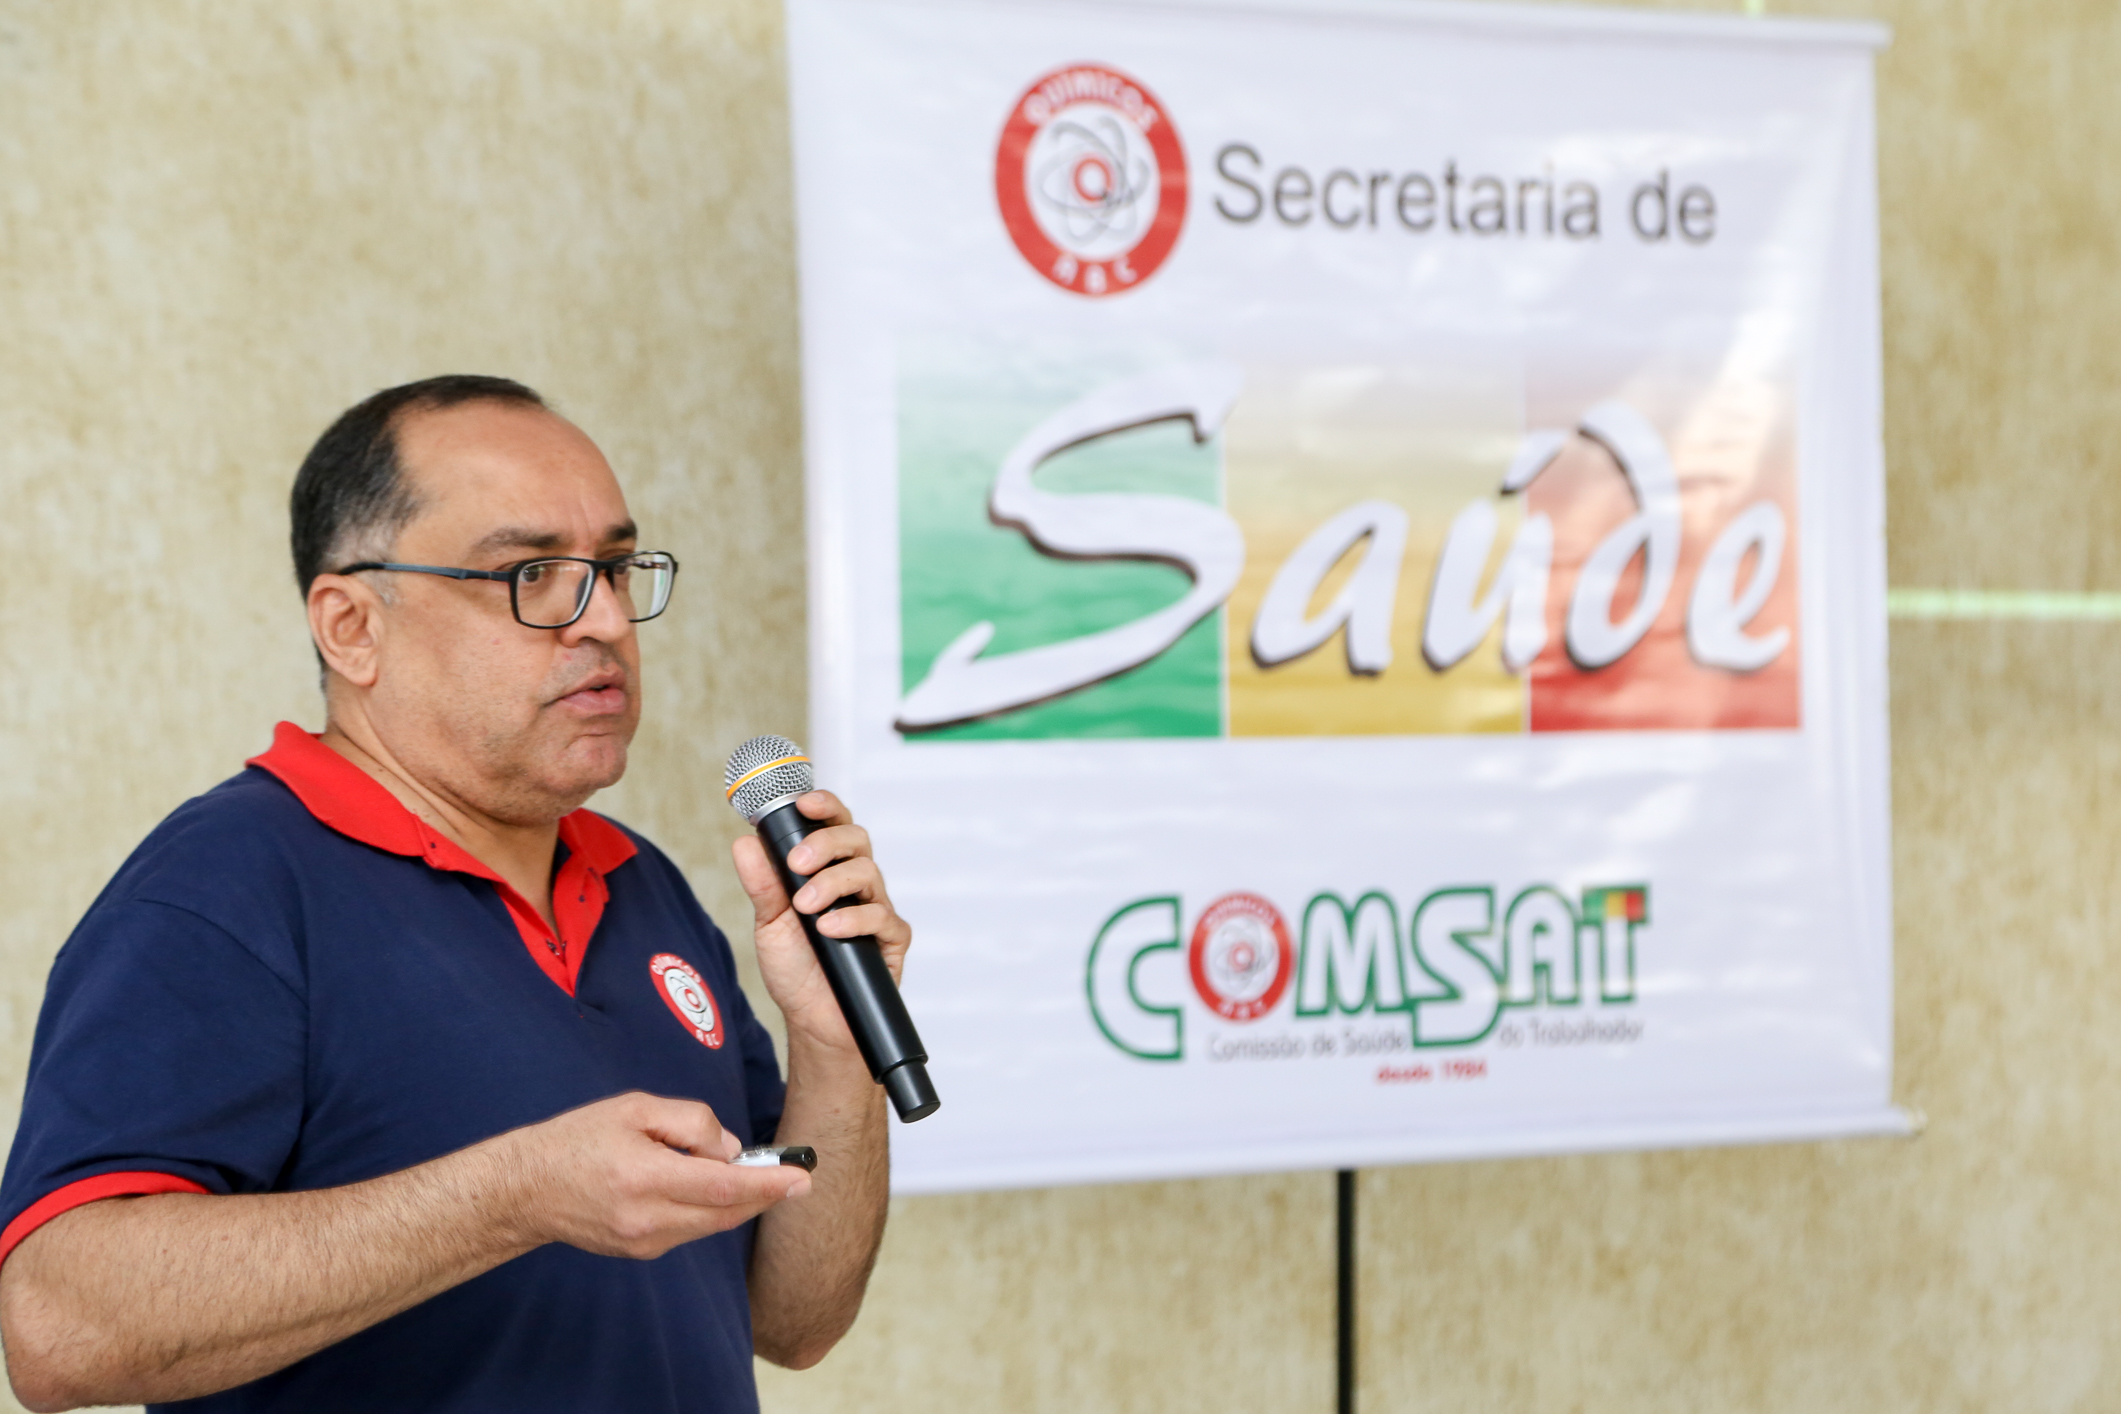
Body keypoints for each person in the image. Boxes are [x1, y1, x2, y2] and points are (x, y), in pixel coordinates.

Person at [0, 375, 908, 1412]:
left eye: (613, 567)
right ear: (351, 626)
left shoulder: (640, 880)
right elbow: (60, 1327)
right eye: (530, 574)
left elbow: (793, 1320)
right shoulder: (223, 890)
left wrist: (835, 1054)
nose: (604, 619)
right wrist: (513, 1195)